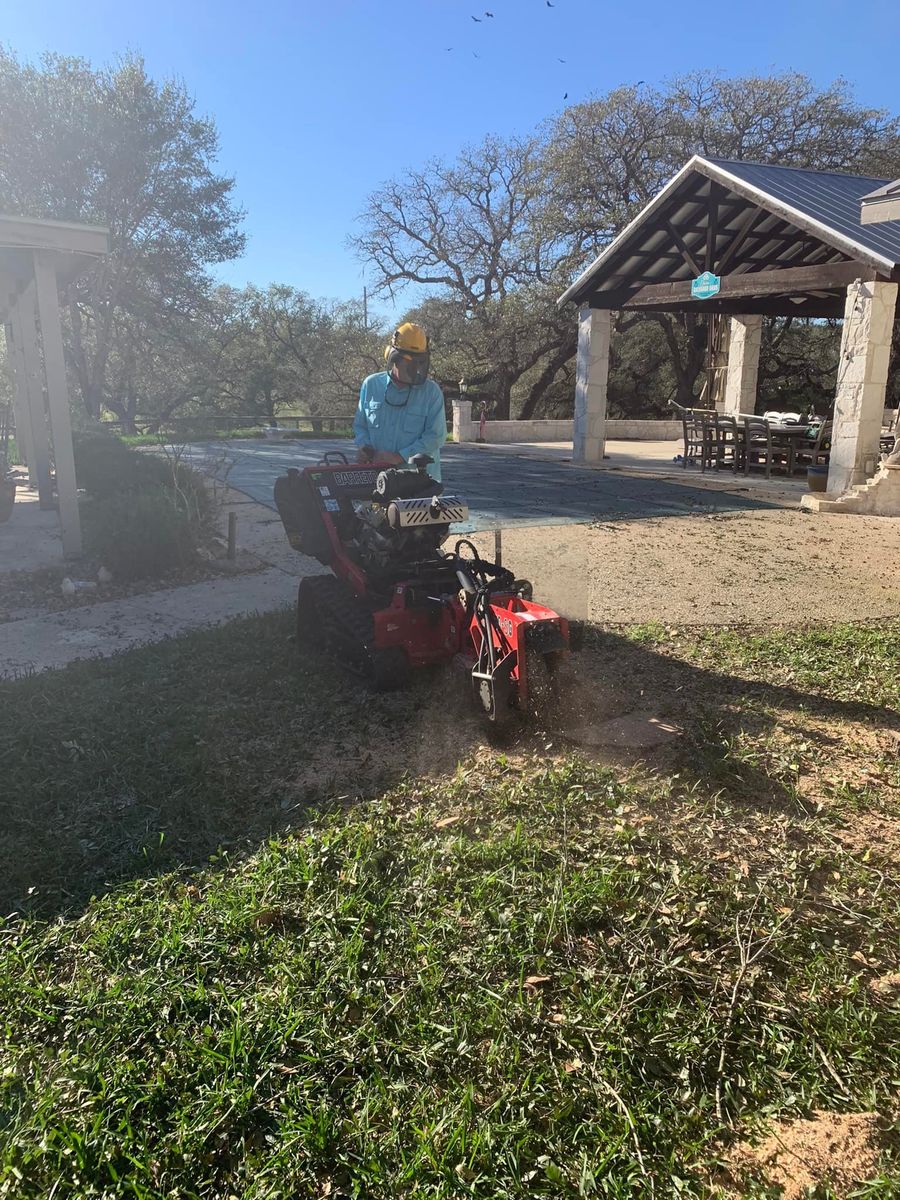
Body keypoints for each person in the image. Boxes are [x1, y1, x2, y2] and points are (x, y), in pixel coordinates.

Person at [354, 323, 446, 482]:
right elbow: (361, 426)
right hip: (377, 479)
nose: (415, 368)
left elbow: (435, 437)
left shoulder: (431, 392)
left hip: (420, 483)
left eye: (419, 362)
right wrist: (365, 449)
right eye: (410, 363)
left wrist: (399, 457)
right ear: (393, 357)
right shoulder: (371, 385)